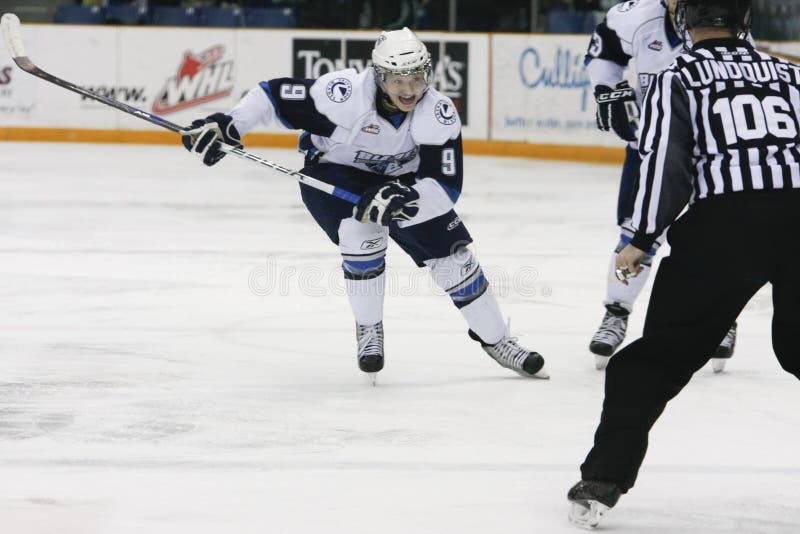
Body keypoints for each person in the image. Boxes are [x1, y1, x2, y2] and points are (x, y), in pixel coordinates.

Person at [181, 27, 549, 381]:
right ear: (379, 75)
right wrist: (229, 124)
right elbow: (270, 96)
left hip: (403, 184)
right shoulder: (341, 96)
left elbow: (446, 185)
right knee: (361, 232)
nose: (409, 90)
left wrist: (406, 197)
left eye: (417, 78)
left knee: (455, 258)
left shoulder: (437, 112)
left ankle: (498, 341)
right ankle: (369, 327)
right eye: (398, 80)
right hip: (336, 173)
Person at [568, 0, 800, 527]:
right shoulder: (790, 74)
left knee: (650, 364)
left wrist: (641, 238)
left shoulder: (678, 75)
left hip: (726, 227)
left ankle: (603, 480)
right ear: (744, 20)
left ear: (685, 22)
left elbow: (664, 166)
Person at [584, 0, 738, 372]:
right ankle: (617, 310)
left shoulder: (722, 20)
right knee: (634, 236)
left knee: (718, 240)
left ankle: (724, 317)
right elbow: (604, 48)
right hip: (650, 148)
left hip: (710, 153)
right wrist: (607, 89)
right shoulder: (636, 18)